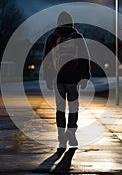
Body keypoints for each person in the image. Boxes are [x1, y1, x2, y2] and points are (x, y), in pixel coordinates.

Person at [42, 11, 90, 148]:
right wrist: (85, 77)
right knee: (74, 107)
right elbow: (84, 58)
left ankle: (61, 136)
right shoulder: (77, 37)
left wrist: (47, 78)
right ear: (71, 22)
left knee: (60, 108)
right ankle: (72, 133)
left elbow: (46, 60)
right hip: (74, 79)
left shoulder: (52, 37)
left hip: (58, 79)